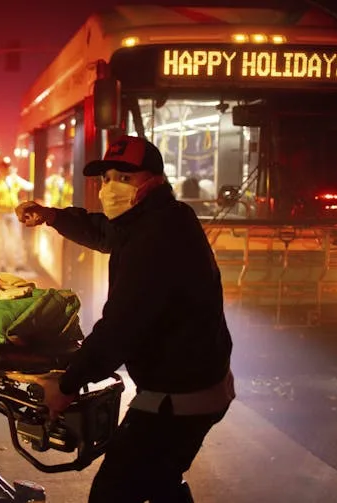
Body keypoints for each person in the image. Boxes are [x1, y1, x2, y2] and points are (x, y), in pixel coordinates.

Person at [17, 135, 235, 502]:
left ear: (154, 182)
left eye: (125, 178)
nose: (111, 187)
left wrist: (67, 386)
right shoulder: (157, 217)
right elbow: (104, 232)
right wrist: (53, 216)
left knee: (113, 492)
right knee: (161, 481)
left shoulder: (156, 237)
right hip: (199, 387)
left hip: (178, 399)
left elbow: (121, 326)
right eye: (106, 178)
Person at [0, 159, 33, 273]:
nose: (6, 171)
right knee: (1, 239)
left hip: (13, 212)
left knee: (16, 238)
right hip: (0, 213)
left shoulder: (13, 179)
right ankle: (1, 264)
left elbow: (29, 187)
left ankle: (17, 263)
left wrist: (16, 177)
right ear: (0, 169)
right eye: (4, 168)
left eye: (8, 168)